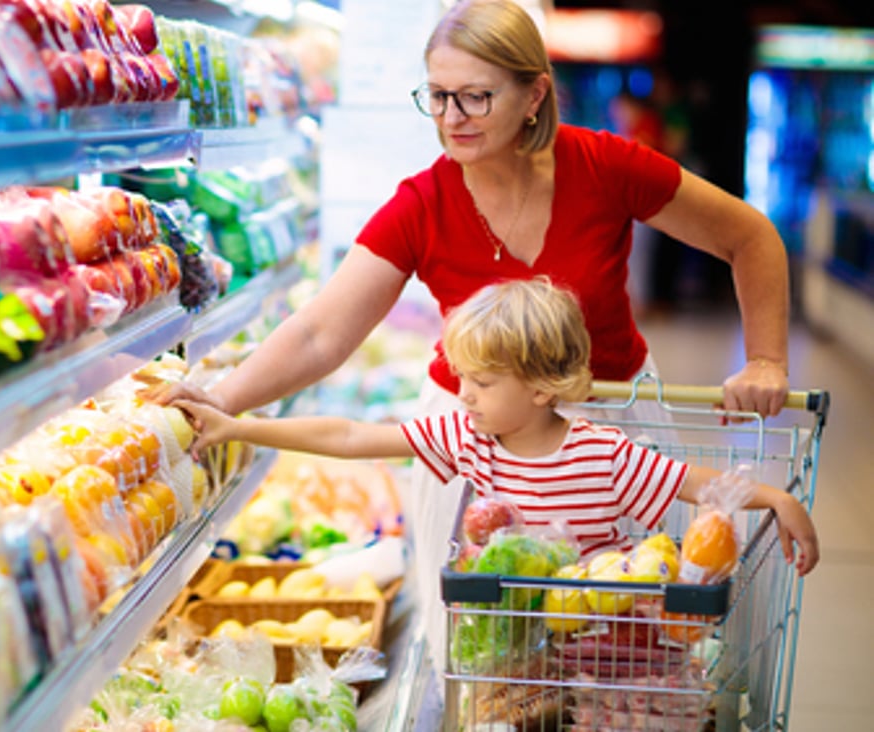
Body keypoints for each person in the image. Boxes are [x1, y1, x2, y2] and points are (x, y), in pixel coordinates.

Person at [148, 0, 795, 685]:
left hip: (610, 434)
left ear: (533, 94)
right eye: (437, 95)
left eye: (476, 97)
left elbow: (748, 236)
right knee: (487, 660)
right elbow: (319, 332)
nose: (451, 117)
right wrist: (218, 398)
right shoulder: (422, 202)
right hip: (476, 443)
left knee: (628, 642)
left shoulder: (605, 166)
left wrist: (766, 358)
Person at [173, 279, 819, 574]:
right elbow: (348, 437)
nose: (463, 394)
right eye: (463, 378)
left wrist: (777, 498)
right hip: (502, 654)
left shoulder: (605, 454)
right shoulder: (466, 437)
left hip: (596, 650)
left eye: (481, 383)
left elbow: (694, 484)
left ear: (542, 388)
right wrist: (237, 426)